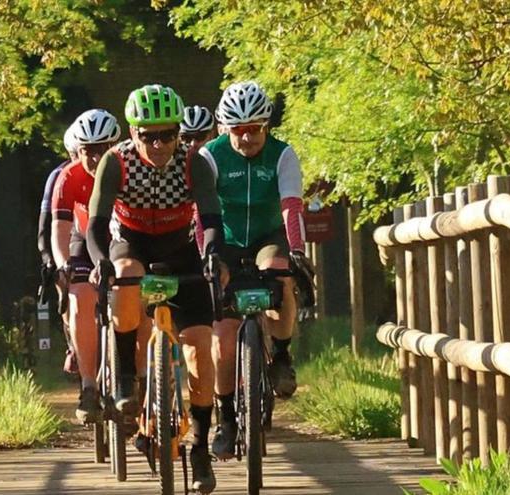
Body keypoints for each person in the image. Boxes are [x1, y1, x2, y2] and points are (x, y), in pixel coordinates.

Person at [87, 84, 224, 493]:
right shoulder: (115, 162)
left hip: (180, 248)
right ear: (133, 134)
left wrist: (213, 254)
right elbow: (95, 225)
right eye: (149, 136)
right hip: (132, 240)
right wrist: (101, 262)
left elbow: (213, 219)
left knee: (200, 346)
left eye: (169, 134)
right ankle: (128, 375)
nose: (160, 144)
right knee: (127, 272)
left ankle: (199, 445)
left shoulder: (194, 162)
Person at [198, 81, 314, 460]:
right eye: (238, 130)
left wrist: (296, 249)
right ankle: (226, 419)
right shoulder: (210, 157)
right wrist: (207, 256)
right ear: (223, 128)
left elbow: (291, 205)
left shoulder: (282, 155)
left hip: (268, 234)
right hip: (227, 240)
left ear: (267, 126)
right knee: (223, 334)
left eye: (255, 129)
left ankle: (281, 355)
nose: (247, 138)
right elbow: (200, 213)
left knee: (279, 272)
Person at [51, 109, 121, 423]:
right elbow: (59, 229)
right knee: (80, 296)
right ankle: (89, 386)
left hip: (121, 238)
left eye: (102, 149)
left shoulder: (127, 167)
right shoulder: (69, 176)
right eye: (87, 151)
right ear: (78, 151)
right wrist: (63, 264)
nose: (94, 158)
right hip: (83, 239)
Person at [38, 124, 81, 374]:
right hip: (67, 237)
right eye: (76, 155)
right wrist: (48, 260)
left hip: (100, 238)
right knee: (64, 281)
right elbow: (46, 224)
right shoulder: (59, 176)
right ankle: (74, 344)